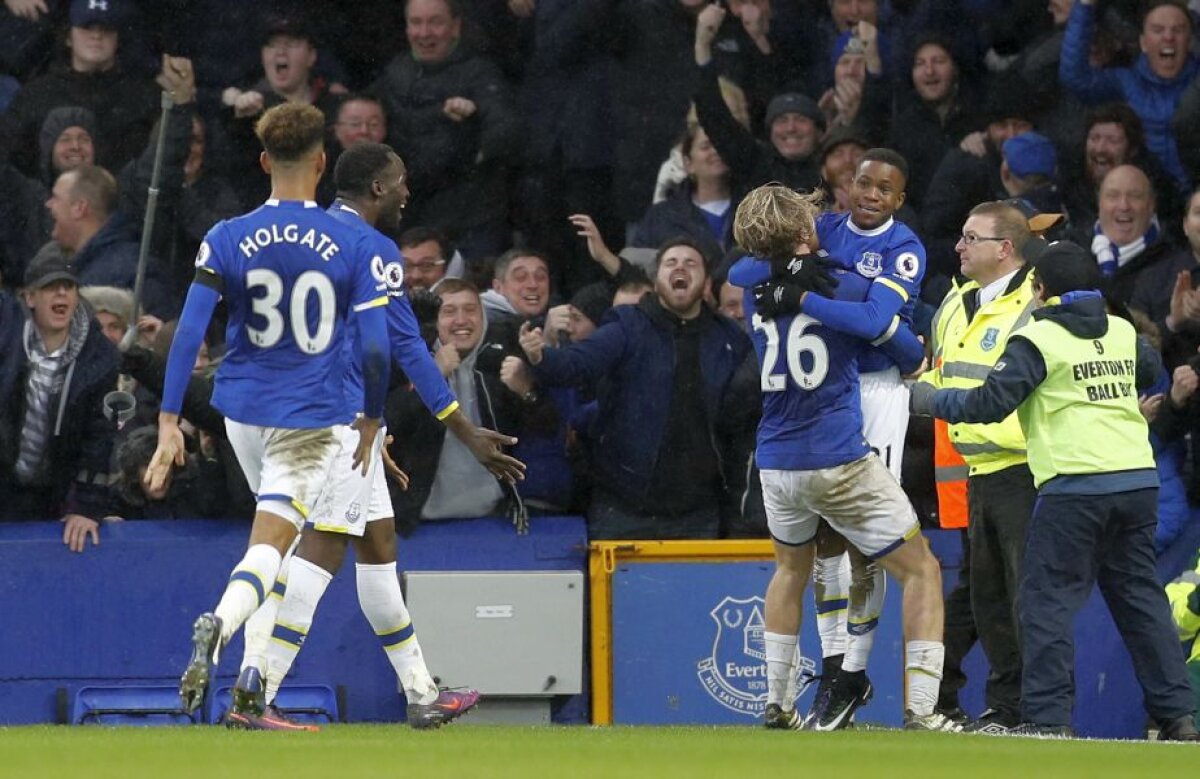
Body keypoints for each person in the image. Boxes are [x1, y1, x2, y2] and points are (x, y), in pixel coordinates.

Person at [227, 142, 524, 730]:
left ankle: (419, 691)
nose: (408, 192)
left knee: (379, 545)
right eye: (402, 180)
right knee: (323, 549)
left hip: (298, 408)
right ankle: (257, 696)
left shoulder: (308, 236)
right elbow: (403, 346)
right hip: (333, 421)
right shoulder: (371, 246)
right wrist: (462, 429)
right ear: (380, 189)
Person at [143, 102, 393, 715]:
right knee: (271, 544)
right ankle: (221, 629)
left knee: (277, 540)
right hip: (309, 415)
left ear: (263, 161)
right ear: (322, 162)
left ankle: (254, 690)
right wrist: (371, 416)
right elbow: (378, 349)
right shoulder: (354, 240)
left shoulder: (225, 236)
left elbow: (187, 334)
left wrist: (168, 420)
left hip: (241, 413)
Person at [910, 241, 1199, 739]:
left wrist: (927, 397)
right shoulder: (1121, 330)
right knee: (1141, 603)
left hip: (1075, 488)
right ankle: (1179, 717)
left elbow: (989, 403)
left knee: (1045, 603)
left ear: (1040, 290)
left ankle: (1046, 719)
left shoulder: (1038, 338)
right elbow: (1150, 371)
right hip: (1135, 482)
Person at [727, 184, 954, 732]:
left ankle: (777, 703)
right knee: (921, 568)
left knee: (789, 571)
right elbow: (905, 350)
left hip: (777, 462)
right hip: (838, 457)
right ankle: (921, 710)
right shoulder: (846, 287)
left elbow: (747, 272)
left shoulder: (753, 292)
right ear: (806, 231)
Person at [519, 237, 753, 540]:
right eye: (671, 263)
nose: (680, 267)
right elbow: (578, 364)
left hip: (698, 511)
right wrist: (541, 356)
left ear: (707, 284)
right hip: (623, 508)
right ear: (656, 281)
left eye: (690, 263)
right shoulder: (628, 325)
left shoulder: (729, 339)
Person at [919, 201, 1041, 733]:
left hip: (1027, 466)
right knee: (989, 598)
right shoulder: (954, 302)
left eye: (972, 238)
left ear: (1005, 249)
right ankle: (1005, 706)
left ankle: (1033, 710)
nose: (960, 247)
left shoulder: (1035, 301)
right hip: (975, 469)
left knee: (1023, 597)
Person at [0, 247, 119, 550]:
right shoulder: (7, 336)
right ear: (29, 298)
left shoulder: (98, 356)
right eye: (50, 287)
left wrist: (87, 508)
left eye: (68, 287)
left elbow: (99, 434)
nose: (61, 294)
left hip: (50, 490)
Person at [1060, 0, 1197, 192]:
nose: (1168, 37)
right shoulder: (1126, 81)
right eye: (1158, 30)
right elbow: (1075, 78)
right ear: (1143, 42)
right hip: (1146, 194)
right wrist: (1084, 7)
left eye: (1178, 30)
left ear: (1190, 41)